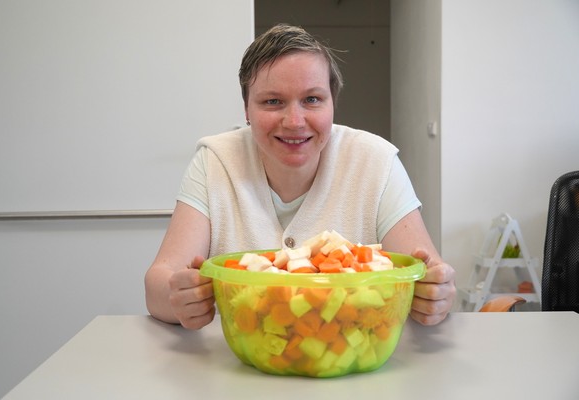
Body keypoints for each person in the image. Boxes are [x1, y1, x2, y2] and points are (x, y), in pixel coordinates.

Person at [145, 23, 456, 329]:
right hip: (243, 353)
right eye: (272, 101)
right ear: (246, 109)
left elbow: (428, 273)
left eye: (312, 100)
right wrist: (178, 298)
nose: (294, 122)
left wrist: (435, 294)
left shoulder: (376, 161)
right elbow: (158, 282)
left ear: (333, 104)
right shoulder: (215, 160)